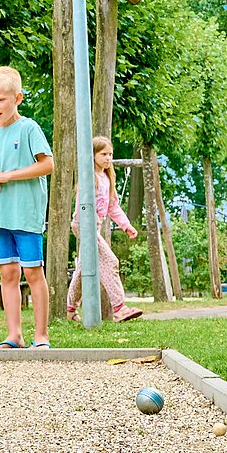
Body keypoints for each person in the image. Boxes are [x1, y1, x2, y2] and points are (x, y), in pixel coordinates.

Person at [0, 66, 54, 348]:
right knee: (8, 273)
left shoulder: (29, 128)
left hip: (27, 215)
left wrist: (7, 176)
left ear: (17, 98)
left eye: (0, 100)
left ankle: (41, 336)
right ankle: (14, 335)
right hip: (0, 217)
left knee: (33, 272)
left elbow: (47, 165)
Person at [66, 136, 143, 323]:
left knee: (84, 268)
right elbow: (81, 205)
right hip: (85, 224)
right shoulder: (89, 177)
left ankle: (69, 309)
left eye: (110, 154)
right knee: (110, 261)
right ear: (92, 155)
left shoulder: (108, 177)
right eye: (103, 154)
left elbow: (113, 206)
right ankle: (120, 308)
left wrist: (126, 225)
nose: (108, 158)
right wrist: (86, 225)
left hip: (96, 225)